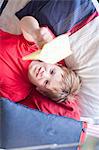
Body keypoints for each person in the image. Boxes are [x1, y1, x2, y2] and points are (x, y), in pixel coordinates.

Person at [0, 16, 81, 120]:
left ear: (41, 90)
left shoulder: (17, 93)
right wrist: (36, 32)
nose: (44, 73)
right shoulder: (36, 48)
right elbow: (25, 21)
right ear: (56, 64)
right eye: (52, 72)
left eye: (46, 82)